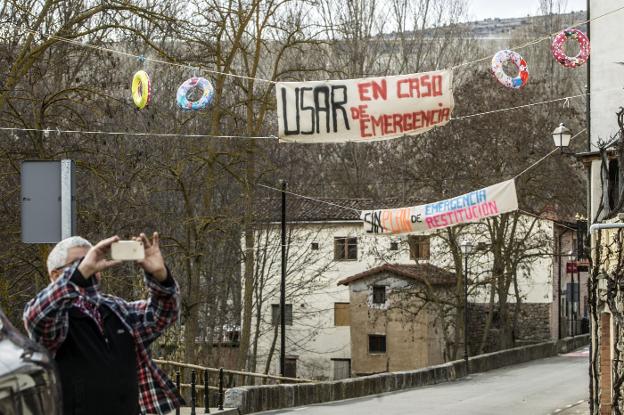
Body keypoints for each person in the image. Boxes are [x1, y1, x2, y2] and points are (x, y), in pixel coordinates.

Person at [23, 232, 183, 415]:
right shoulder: (57, 317)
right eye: (79, 263)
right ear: (55, 275)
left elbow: (163, 316)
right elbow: (36, 316)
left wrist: (161, 276)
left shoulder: (116, 308)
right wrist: (78, 275)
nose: (90, 267)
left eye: (93, 259)